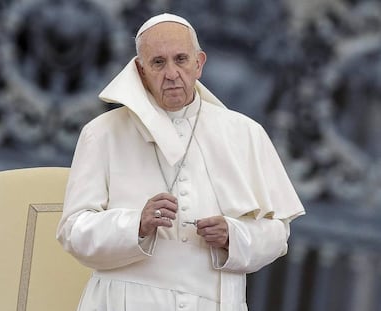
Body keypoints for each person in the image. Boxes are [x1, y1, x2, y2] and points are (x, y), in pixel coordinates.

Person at [56, 13, 305, 311]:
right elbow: (73, 230)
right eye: (158, 62)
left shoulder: (245, 134)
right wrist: (136, 224)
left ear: (199, 63)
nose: (171, 73)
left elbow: (278, 234)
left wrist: (233, 236)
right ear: (140, 69)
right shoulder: (103, 133)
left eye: (181, 59)